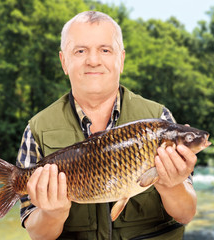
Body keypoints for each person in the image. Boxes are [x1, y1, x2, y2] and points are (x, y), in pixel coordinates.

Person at [16, 11, 197, 240]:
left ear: (121, 59)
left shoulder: (159, 119)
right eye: (80, 51)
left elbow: (186, 213)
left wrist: (172, 185)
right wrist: (53, 213)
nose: (93, 60)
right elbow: (38, 234)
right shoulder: (37, 129)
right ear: (64, 61)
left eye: (105, 50)